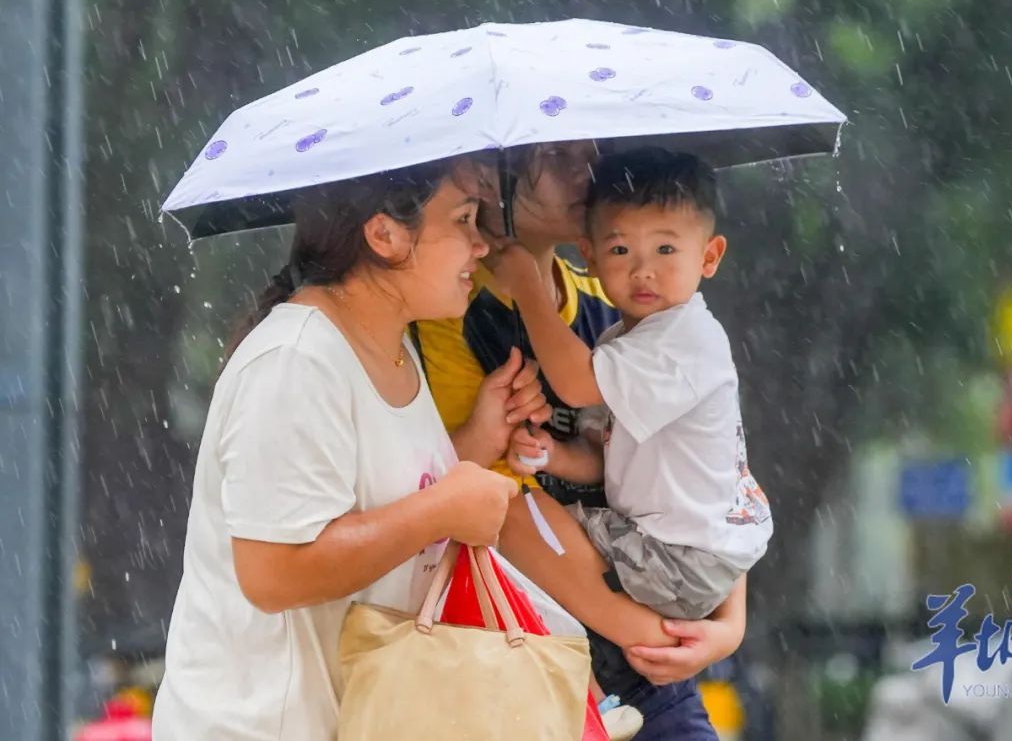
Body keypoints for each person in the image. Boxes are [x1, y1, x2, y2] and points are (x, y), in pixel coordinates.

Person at [152, 155, 552, 740]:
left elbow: (375, 497)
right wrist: (445, 508)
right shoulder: (296, 360)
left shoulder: (388, 344)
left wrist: (473, 445)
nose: (481, 245)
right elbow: (274, 572)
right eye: (464, 219)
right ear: (385, 234)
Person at [415, 141, 747, 741]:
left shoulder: (620, 309)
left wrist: (727, 628)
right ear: (487, 178)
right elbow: (476, 498)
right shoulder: (449, 316)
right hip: (530, 660)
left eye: (591, 152)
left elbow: (709, 473)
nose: (588, 171)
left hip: (653, 660)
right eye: (559, 156)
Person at [494, 147, 774, 701]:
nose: (643, 269)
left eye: (666, 248)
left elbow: (574, 385)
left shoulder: (682, 341)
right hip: (691, 548)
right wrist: (551, 454)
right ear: (591, 257)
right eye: (621, 249)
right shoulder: (626, 340)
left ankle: (644, 636)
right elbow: (605, 454)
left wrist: (526, 285)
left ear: (710, 255)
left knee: (510, 514)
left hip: (680, 558)